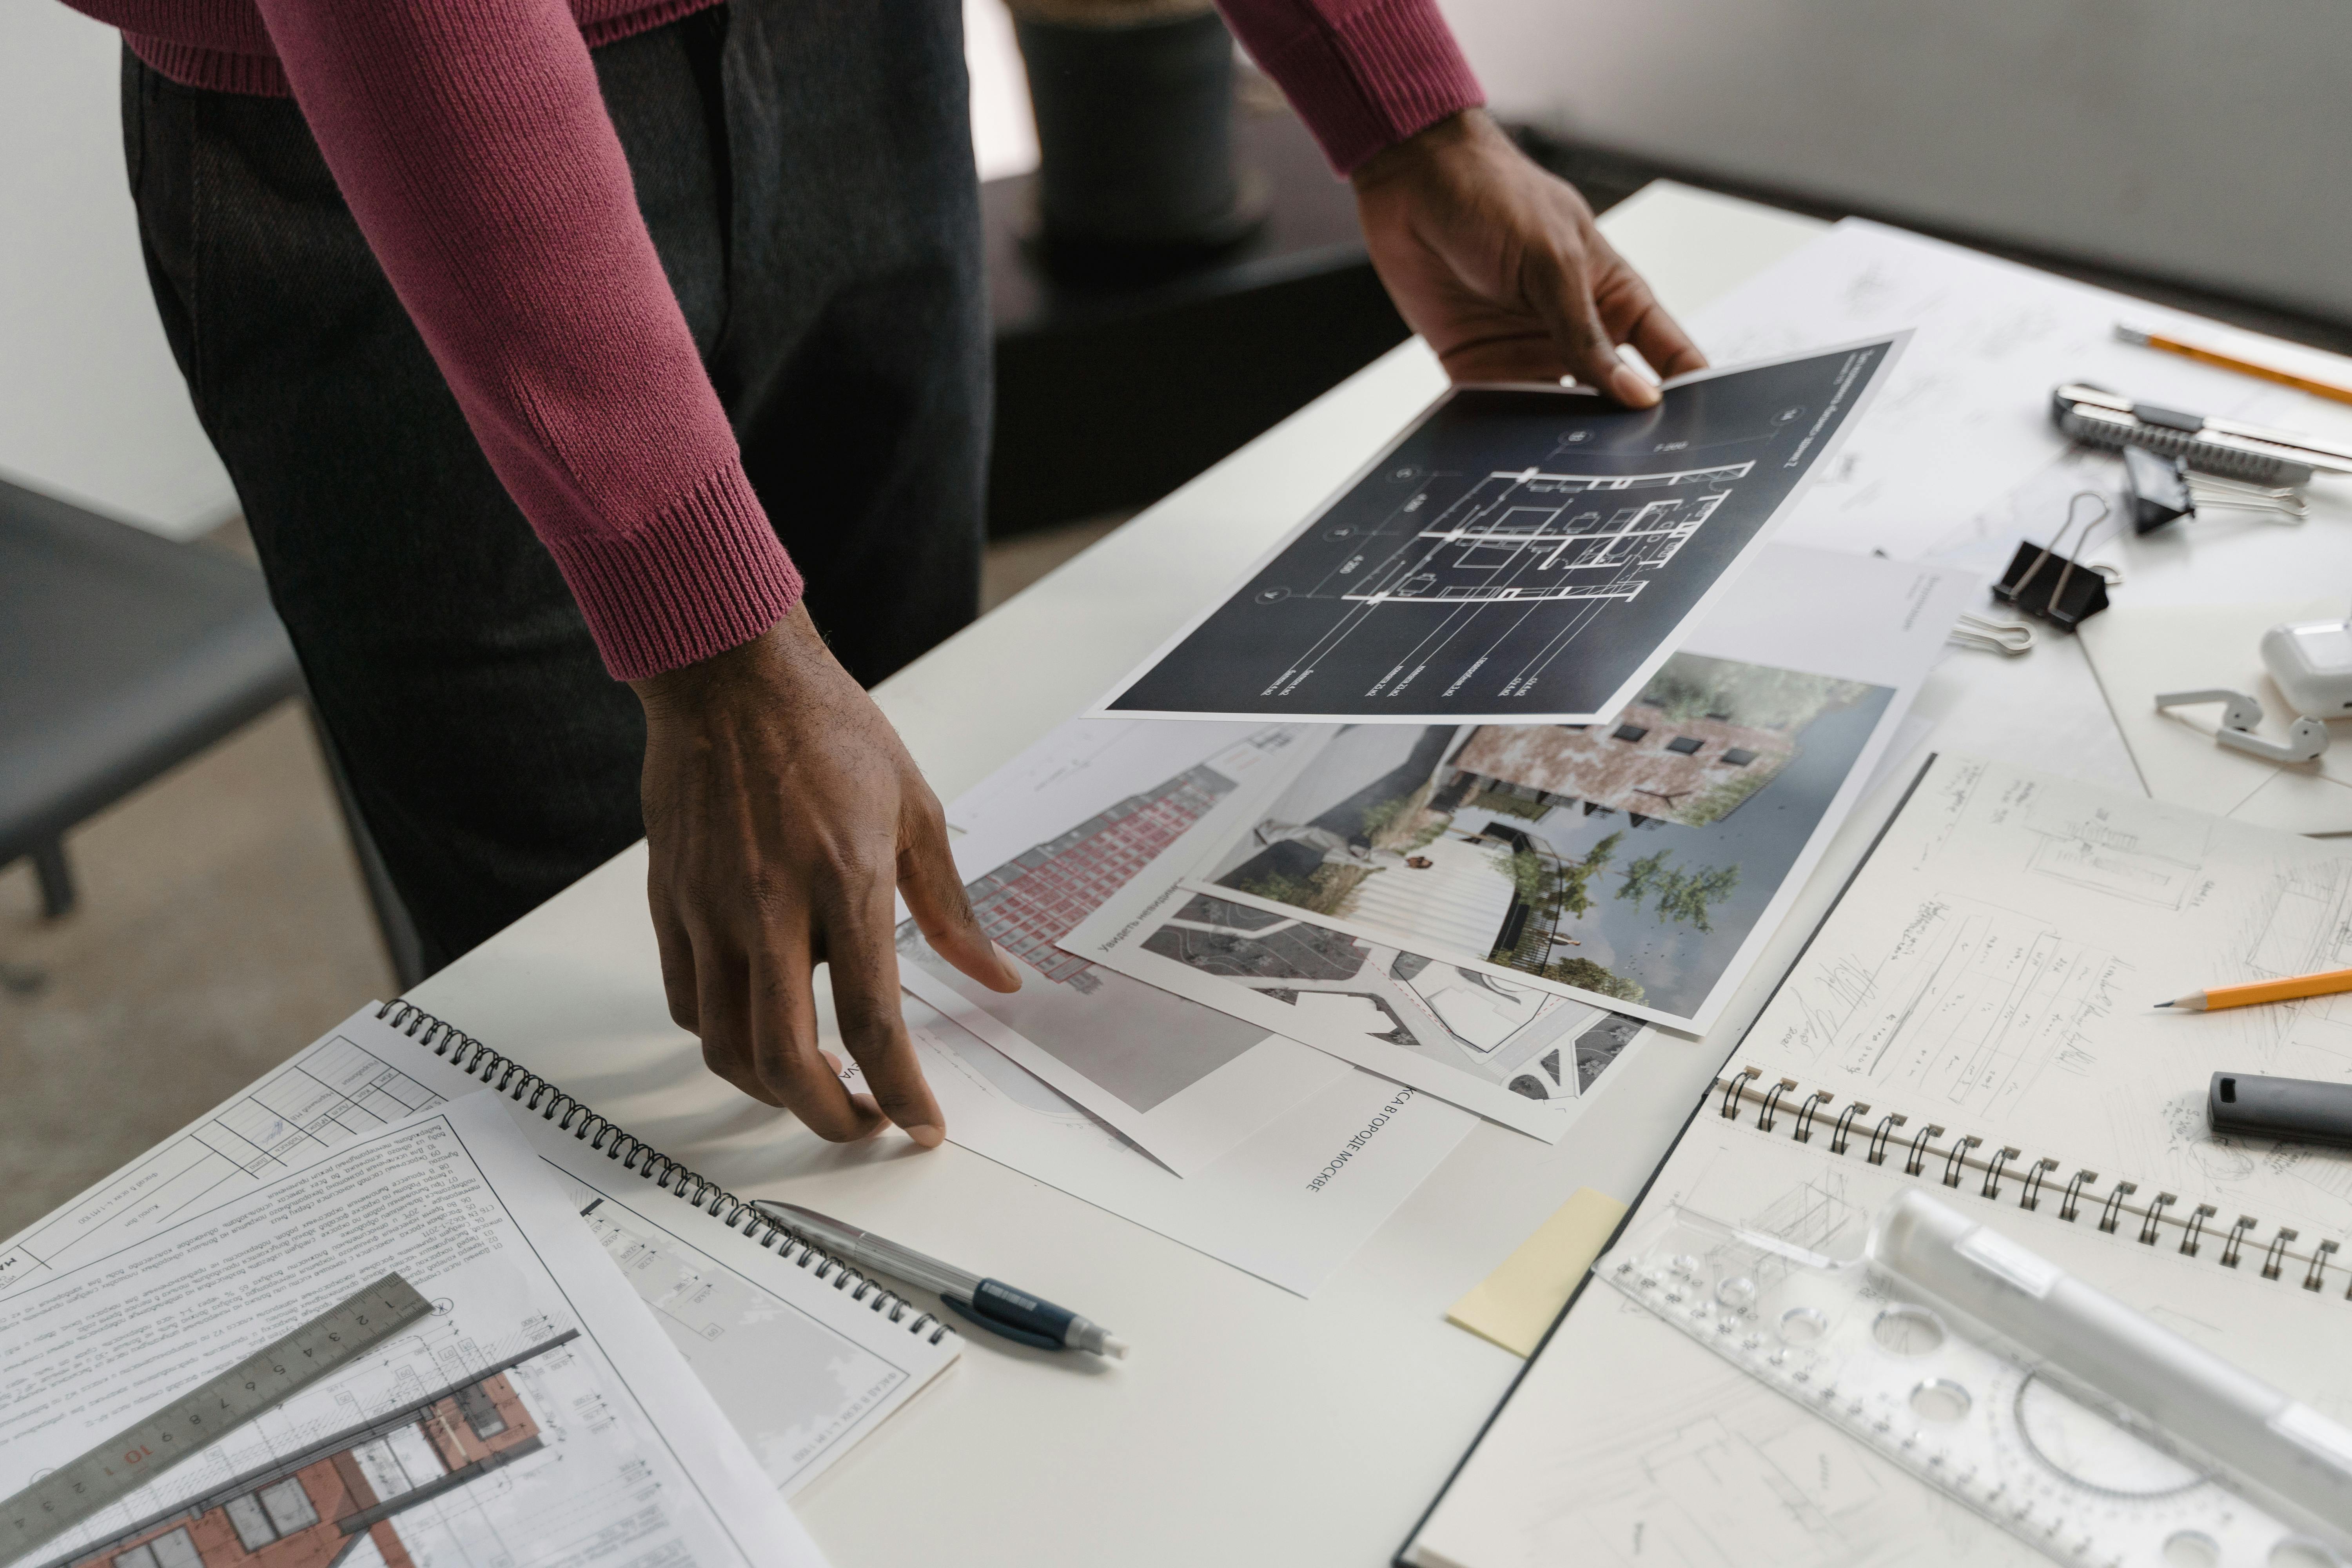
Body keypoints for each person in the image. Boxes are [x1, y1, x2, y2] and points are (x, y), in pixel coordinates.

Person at [76, 0, 1706, 1149]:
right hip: (396, 116)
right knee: (603, 1030)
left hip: (866, 57)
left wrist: (1400, 103)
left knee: (907, 908)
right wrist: (710, 635)